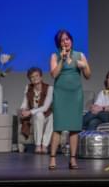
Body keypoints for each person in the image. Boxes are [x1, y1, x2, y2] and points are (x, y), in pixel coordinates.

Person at [49, 29, 91, 170]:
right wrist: (62, 59)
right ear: (58, 43)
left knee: (74, 128)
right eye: (62, 40)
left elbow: (88, 75)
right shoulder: (55, 56)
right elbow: (54, 74)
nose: (65, 42)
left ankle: (72, 160)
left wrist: (84, 66)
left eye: (67, 39)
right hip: (61, 95)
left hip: (75, 95)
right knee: (58, 127)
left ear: (71, 40)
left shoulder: (80, 55)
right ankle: (53, 158)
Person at [19, 67, 53, 154]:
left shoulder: (49, 88)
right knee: (39, 115)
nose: (35, 78)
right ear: (30, 79)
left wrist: (30, 112)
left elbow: (45, 107)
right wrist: (23, 109)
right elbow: (24, 102)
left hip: (47, 114)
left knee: (53, 116)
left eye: (37, 76)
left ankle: (45, 145)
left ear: (41, 77)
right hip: (35, 115)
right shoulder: (28, 87)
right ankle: (38, 145)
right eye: (32, 77)